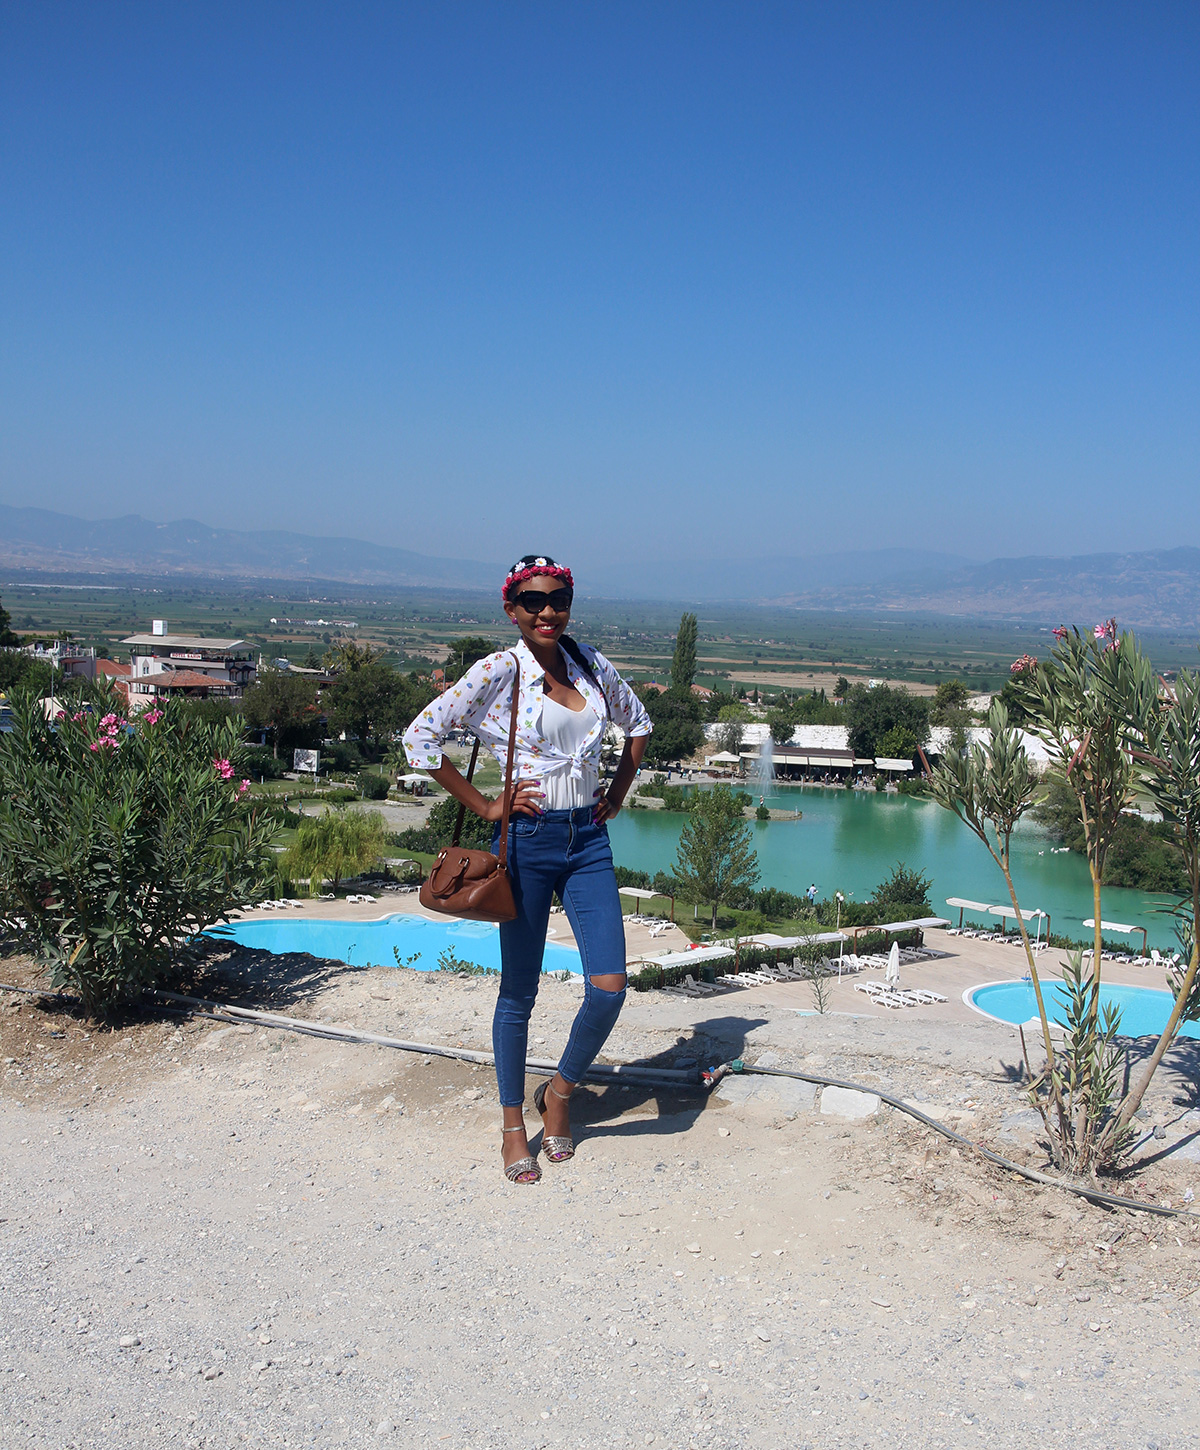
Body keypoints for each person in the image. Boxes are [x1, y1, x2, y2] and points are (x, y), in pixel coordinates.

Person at [403, 554, 652, 1185]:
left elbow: (639, 725)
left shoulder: (590, 662)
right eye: (534, 601)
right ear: (511, 609)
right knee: (520, 989)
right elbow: (421, 739)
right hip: (527, 843)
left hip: (588, 839)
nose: (548, 611)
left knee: (610, 985)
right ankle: (514, 1124)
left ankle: (561, 1093)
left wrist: (616, 795)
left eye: (558, 599)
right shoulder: (499, 669)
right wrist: (486, 803)